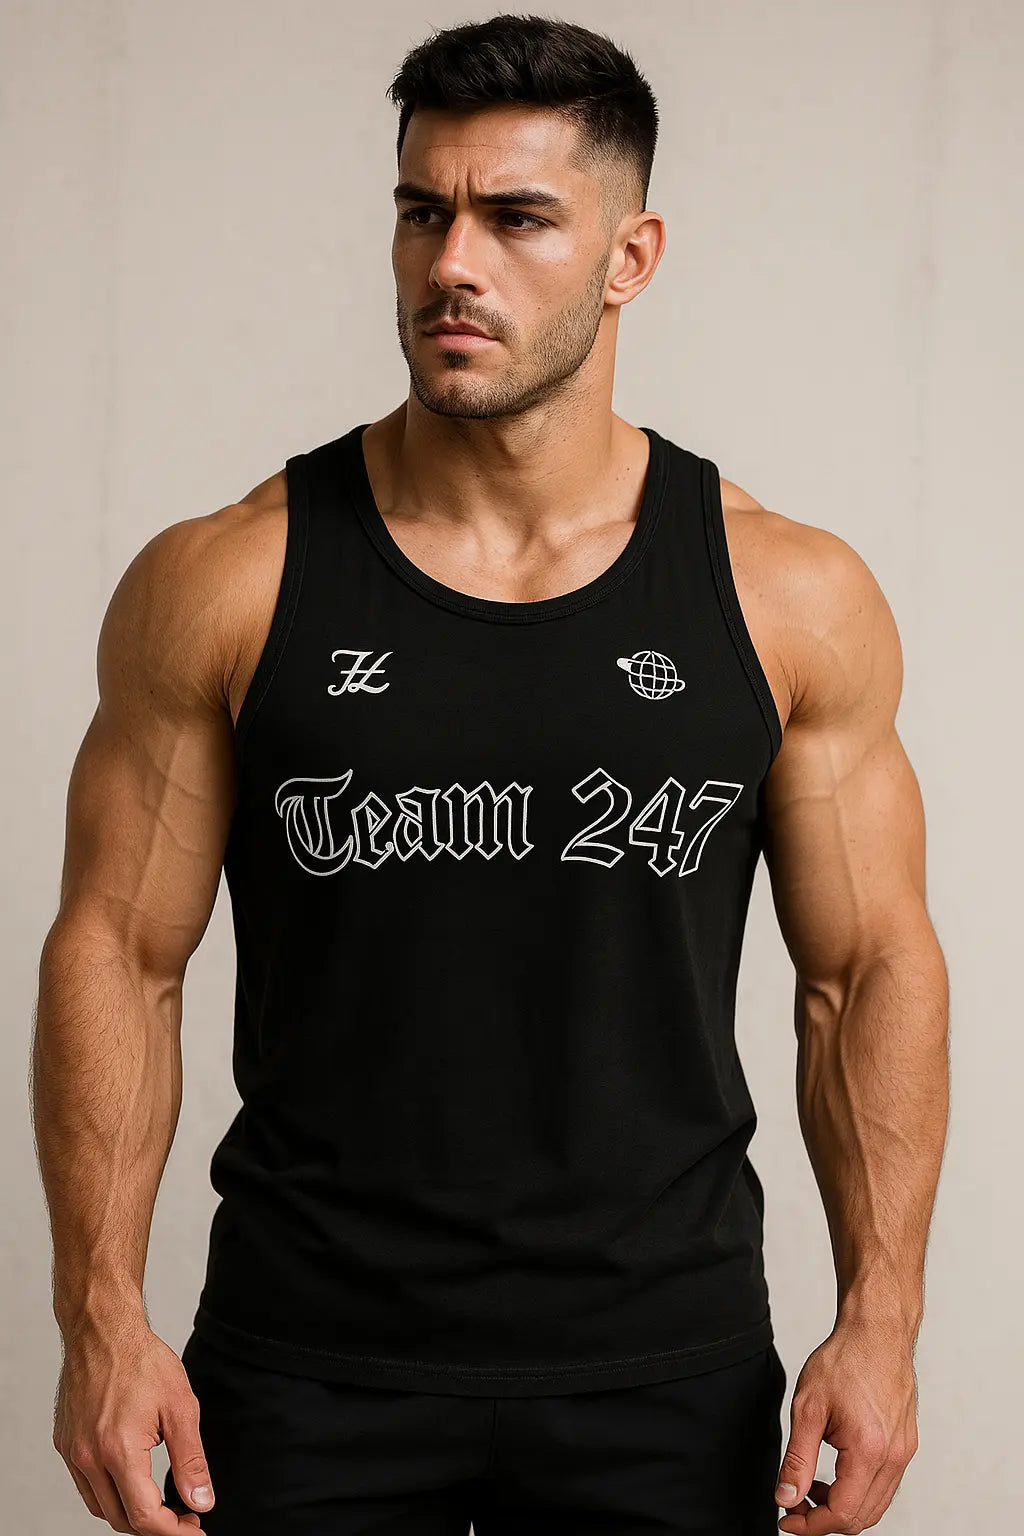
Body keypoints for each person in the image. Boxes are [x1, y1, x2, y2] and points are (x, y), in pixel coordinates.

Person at [32, 14, 949, 1536]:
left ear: (630, 256)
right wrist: (100, 1322)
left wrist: (884, 1320)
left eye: (517, 218)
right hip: (304, 1368)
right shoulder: (229, 579)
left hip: (665, 1374)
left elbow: (866, 972)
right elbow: (118, 956)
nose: (452, 262)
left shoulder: (786, 595)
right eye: (423, 211)